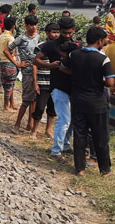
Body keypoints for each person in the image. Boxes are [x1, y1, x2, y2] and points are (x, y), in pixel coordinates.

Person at [62, 27, 115, 177]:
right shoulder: (103, 59)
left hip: (78, 100)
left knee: (80, 135)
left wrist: (78, 76)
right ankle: (105, 170)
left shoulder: (74, 54)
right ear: (99, 41)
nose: (105, 42)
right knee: (100, 136)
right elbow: (110, 82)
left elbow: (63, 67)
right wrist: (100, 82)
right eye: (104, 39)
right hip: (97, 102)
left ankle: (80, 169)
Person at [35, 17, 77, 162]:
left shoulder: (76, 45)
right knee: (64, 120)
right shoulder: (51, 45)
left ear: (74, 31)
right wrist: (51, 66)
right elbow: (36, 60)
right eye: (64, 33)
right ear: (60, 31)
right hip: (58, 86)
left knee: (72, 119)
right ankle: (56, 151)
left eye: (69, 33)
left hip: (73, 87)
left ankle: (65, 144)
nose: (67, 35)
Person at [9, 15, 41, 132]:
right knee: (26, 100)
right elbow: (7, 50)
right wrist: (17, 63)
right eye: (31, 25)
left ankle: (30, 124)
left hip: (37, 71)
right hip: (27, 73)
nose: (33, 27)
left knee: (34, 100)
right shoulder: (21, 38)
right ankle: (17, 124)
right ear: (26, 25)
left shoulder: (38, 37)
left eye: (35, 25)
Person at [30, 23, 59, 139]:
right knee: (40, 107)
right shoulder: (41, 47)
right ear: (47, 33)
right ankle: (34, 130)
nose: (56, 35)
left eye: (57, 32)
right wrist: (35, 82)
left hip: (55, 82)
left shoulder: (61, 47)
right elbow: (34, 64)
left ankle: (48, 130)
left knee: (52, 108)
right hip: (43, 82)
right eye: (53, 32)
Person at [0, 16, 20, 112]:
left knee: (9, 84)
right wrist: (14, 55)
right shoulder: (10, 38)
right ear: (13, 26)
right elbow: (9, 51)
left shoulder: (1, 36)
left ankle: (11, 103)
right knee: (9, 86)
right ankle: (6, 106)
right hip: (10, 63)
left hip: (2, 62)